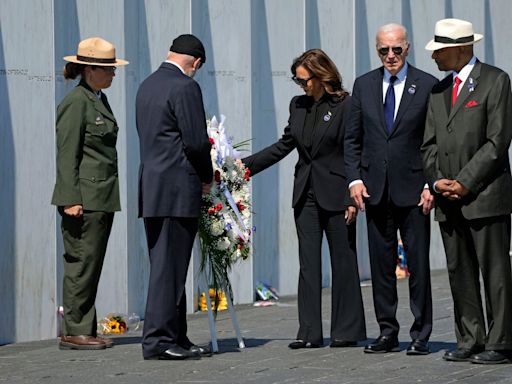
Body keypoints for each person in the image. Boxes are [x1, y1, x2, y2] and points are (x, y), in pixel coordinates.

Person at [243, 49, 366, 349]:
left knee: (344, 261)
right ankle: (308, 333)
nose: (301, 87)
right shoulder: (297, 105)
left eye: (305, 81)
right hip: (306, 195)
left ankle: (346, 331)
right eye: (297, 81)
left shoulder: (346, 106)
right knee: (308, 264)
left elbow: (354, 150)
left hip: (339, 194)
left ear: (322, 76)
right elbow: (285, 145)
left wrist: (353, 195)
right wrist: (242, 167)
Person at [422, 18, 512, 364]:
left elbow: (498, 140)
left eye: (439, 51)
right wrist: (438, 180)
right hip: (449, 198)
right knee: (459, 271)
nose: (434, 57)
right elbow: (427, 144)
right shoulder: (438, 91)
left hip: (485, 196)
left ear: (460, 49)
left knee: (495, 272)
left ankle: (501, 341)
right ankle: (470, 338)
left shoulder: (495, 80)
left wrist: (466, 181)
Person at [344, 23, 437, 355]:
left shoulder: (427, 85)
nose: (391, 56)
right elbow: (352, 140)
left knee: (418, 265)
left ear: (407, 48)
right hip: (374, 190)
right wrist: (354, 179)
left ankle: (421, 334)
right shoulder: (365, 85)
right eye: (384, 50)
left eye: (396, 49)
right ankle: (387, 331)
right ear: (377, 50)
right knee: (381, 266)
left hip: (414, 189)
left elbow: (434, 140)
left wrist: (431, 183)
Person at [136, 34, 213, 361]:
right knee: (169, 269)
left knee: (168, 265)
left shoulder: (147, 85)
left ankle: (176, 336)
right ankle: (157, 341)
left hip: (153, 189)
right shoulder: (185, 87)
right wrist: (208, 176)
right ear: (195, 62)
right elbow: (196, 142)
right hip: (178, 189)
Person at [51, 37, 128, 350]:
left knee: (91, 263)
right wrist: (70, 198)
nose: (113, 74)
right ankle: (75, 330)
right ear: (89, 69)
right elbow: (67, 154)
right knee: (81, 263)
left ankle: (85, 326)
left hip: (100, 196)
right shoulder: (76, 102)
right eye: (108, 69)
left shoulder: (96, 98)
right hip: (83, 198)